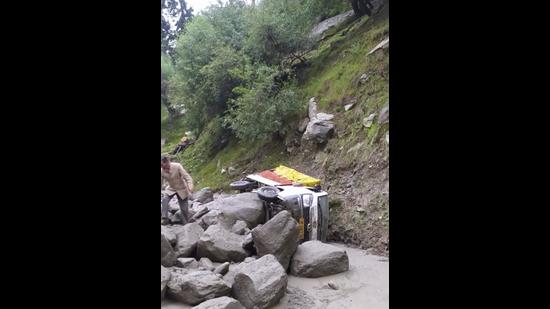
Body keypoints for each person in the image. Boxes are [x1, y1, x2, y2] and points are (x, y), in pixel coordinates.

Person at [161, 155, 194, 225]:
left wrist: (190, 187)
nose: (162, 167)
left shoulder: (177, 166)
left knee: (184, 209)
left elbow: (187, 177)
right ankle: (164, 218)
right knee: (165, 199)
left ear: (167, 162)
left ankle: (186, 224)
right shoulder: (161, 170)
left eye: (162, 165)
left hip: (181, 188)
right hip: (171, 188)